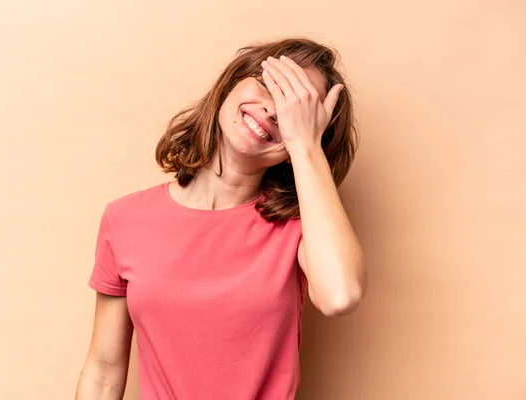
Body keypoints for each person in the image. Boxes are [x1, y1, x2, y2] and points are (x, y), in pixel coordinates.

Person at [75, 37, 367, 400]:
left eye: (296, 109)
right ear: (231, 84)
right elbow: (103, 370)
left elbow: (340, 295)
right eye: (269, 85)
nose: (275, 111)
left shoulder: (301, 230)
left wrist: (303, 144)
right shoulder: (125, 219)